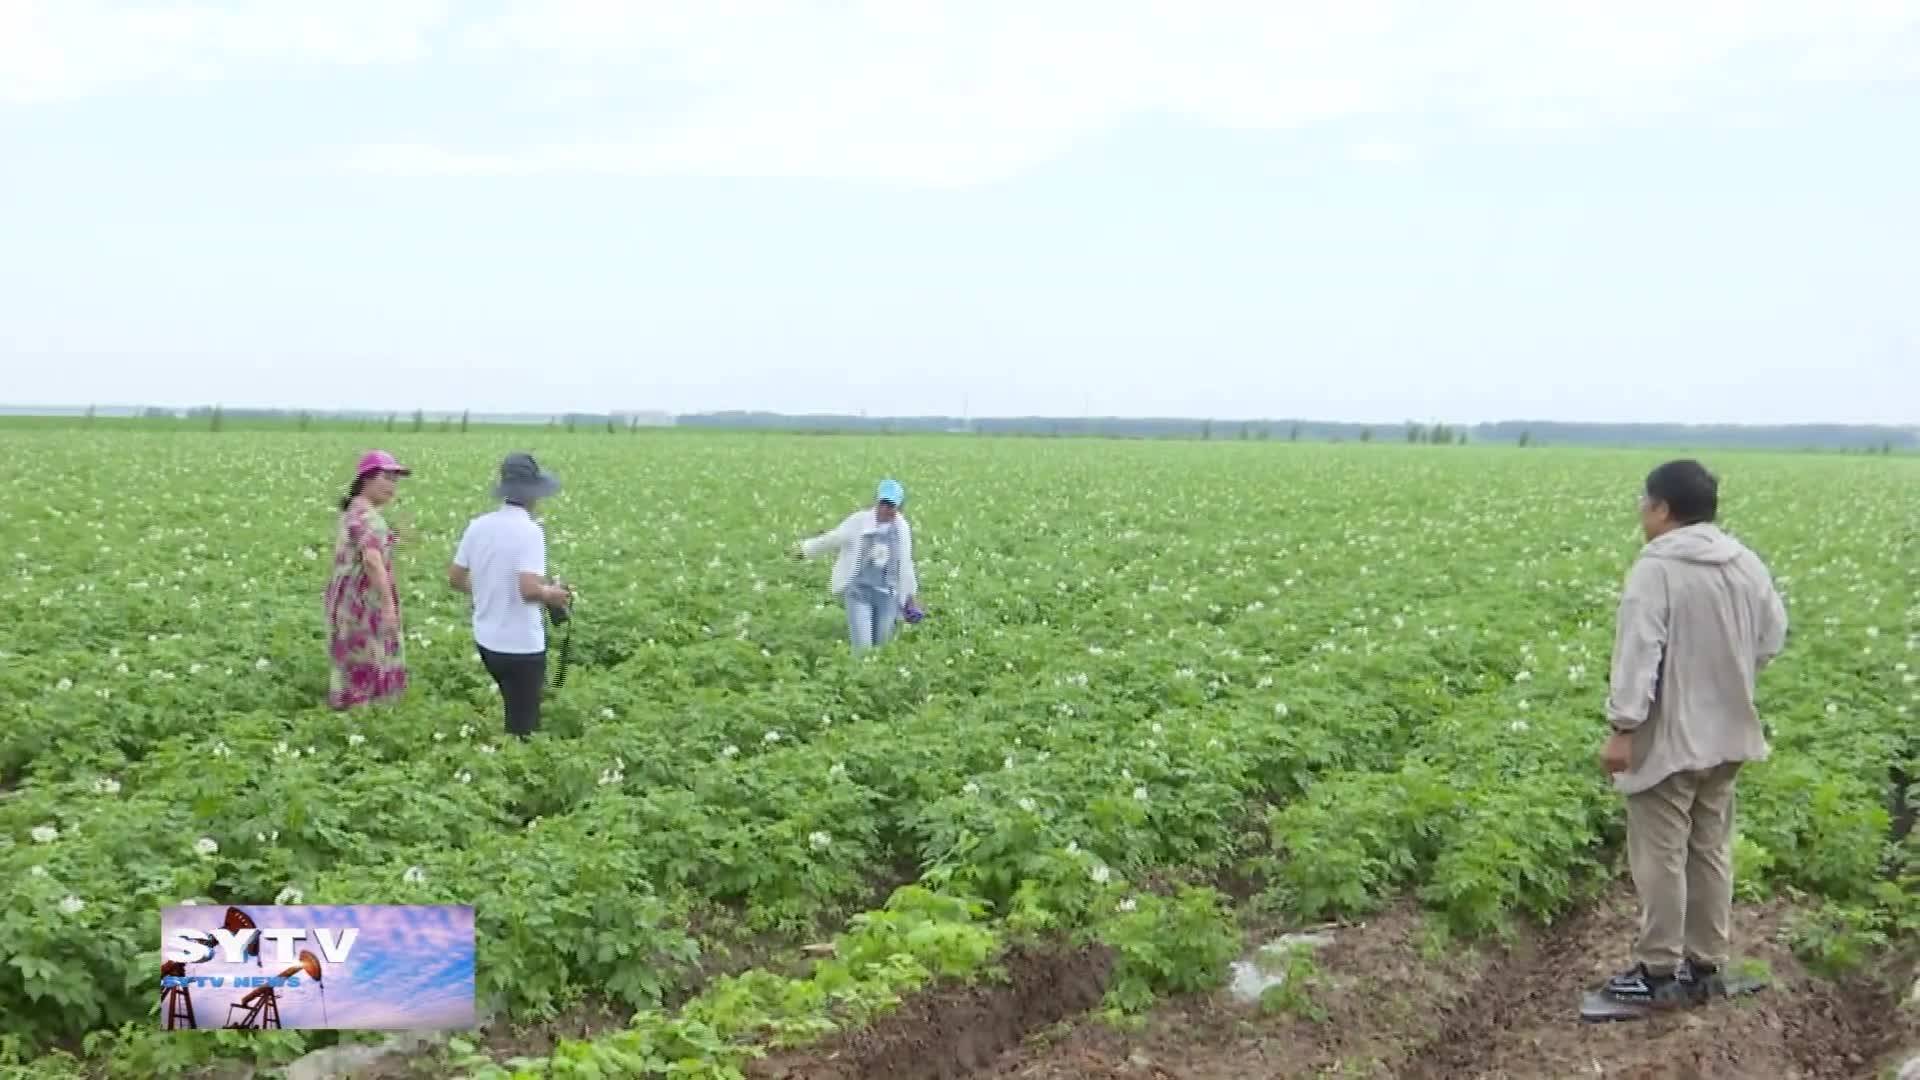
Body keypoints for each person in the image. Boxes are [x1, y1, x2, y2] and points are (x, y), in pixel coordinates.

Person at [1599, 459, 1787, 1009]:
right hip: (1728, 733)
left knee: (1661, 854)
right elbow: (1772, 635)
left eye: (1644, 503)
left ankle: (1658, 972)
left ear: (1662, 509)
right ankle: (1706, 965)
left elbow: (1638, 655)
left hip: (1668, 739)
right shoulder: (1745, 563)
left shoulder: (1655, 570)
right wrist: (1731, 676)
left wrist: (1622, 728)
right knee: (1710, 849)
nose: (1641, 513)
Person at [448, 452, 571, 738]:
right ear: (533, 494)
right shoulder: (530, 532)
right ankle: (515, 772)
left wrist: (486, 592)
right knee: (525, 727)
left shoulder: (478, 525)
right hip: (520, 646)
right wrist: (551, 594)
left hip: (487, 641)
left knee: (513, 707)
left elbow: (455, 579)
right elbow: (528, 589)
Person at [324, 450, 412, 710]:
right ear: (366, 479)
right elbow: (372, 561)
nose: (392, 486)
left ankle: (352, 715)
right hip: (362, 604)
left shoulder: (357, 510)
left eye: (395, 480)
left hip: (347, 601)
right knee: (370, 658)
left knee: (352, 659)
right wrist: (387, 606)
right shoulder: (366, 515)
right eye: (386, 478)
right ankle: (367, 719)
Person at [794, 478, 920, 653]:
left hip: (888, 596)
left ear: (899, 507)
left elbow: (906, 564)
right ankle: (859, 677)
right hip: (860, 592)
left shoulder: (902, 529)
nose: (886, 509)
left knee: (882, 647)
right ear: (877, 501)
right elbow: (833, 539)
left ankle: (874, 679)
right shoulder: (859, 521)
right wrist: (805, 550)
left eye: (891, 505)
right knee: (862, 648)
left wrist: (910, 598)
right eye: (883, 503)